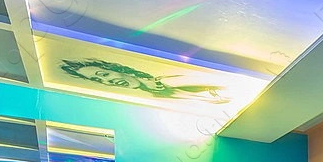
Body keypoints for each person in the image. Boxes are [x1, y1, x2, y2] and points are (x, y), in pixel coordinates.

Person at [60, 59, 229, 103]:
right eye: (98, 79)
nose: (108, 81)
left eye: (104, 74)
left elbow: (224, 88)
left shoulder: (170, 79)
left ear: (117, 69)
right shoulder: (157, 95)